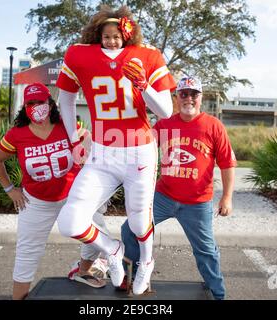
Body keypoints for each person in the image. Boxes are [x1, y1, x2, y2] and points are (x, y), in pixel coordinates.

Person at [56, 5, 176, 295]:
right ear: (98, 34)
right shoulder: (79, 54)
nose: (111, 41)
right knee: (70, 221)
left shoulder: (147, 56)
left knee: (138, 219)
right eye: (105, 35)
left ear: (126, 33)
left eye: (116, 35)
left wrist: (144, 85)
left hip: (139, 151)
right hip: (102, 153)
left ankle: (146, 261)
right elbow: (66, 99)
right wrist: (74, 139)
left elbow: (167, 112)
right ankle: (111, 249)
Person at [121, 76, 236, 300]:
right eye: (184, 94)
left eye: (194, 94)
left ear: (201, 97)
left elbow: (227, 163)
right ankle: (132, 278)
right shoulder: (164, 124)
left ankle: (218, 294)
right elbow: (142, 150)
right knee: (130, 229)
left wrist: (227, 198)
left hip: (197, 202)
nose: (189, 99)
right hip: (164, 197)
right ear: (176, 98)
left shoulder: (213, 126)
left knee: (206, 251)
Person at [0, 82, 90, 299]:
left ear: (50, 103)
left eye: (40, 102)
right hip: (36, 202)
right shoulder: (17, 134)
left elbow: (87, 141)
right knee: (27, 254)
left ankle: (83, 270)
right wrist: (10, 189)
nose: (36, 106)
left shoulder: (66, 125)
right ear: (25, 106)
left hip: (69, 197)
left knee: (95, 231)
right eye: (31, 103)